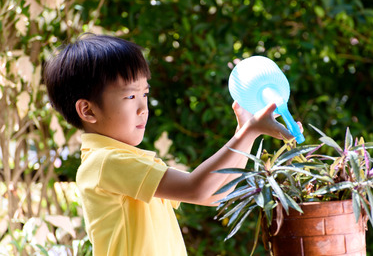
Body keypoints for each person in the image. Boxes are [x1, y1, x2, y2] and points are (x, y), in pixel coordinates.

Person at [44, 33, 302, 255]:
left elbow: (216, 194)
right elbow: (196, 189)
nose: (143, 107)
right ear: (87, 111)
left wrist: (247, 132)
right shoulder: (105, 162)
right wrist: (246, 132)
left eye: (145, 93)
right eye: (130, 95)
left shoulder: (124, 159)